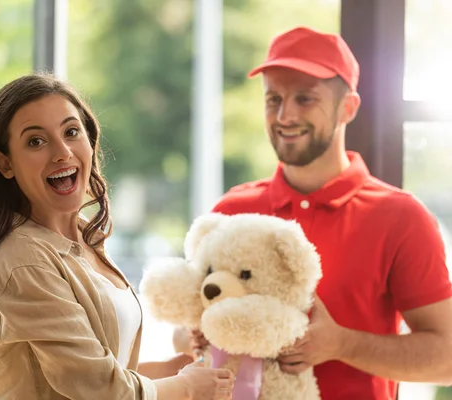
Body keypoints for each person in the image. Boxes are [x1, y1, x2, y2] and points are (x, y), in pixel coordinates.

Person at [0, 73, 235, 400]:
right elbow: (96, 388)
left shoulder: (85, 234)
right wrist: (185, 388)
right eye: (36, 141)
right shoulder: (22, 259)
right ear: (5, 164)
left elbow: (94, 368)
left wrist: (175, 369)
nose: (62, 152)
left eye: (71, 132)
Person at [178, 26, 452, 400]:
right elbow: (185, 332)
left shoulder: (402, 218)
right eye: (273, 99)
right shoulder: (232, 212)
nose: (284, 115)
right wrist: (195, 334)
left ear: (348, 108)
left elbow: (447, 359)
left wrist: (342, 344)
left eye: (305, 99)